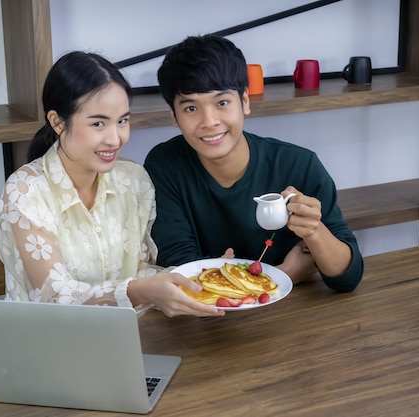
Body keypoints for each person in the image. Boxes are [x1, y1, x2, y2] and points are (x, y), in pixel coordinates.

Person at [0, 51, 224, 317]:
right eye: (98, 123)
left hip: (129, 337)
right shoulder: (25, 191)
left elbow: (140, 270)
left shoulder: (132, 179)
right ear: (57, 122)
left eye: (123, 121)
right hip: (45, 346)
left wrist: (202, 278)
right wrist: (136, 291)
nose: (116, 139)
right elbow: (53, 295)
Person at [144, 35, 363, 292]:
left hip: (296, 315)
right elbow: (181, 268)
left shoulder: (299, 164)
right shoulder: (165, 165)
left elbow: (348, 277)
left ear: (245, 102)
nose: (209, 121)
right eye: (191, 108)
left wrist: (315, 232)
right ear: (174, 116)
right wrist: (283, 275)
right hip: (205, 321)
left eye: (222, 103)